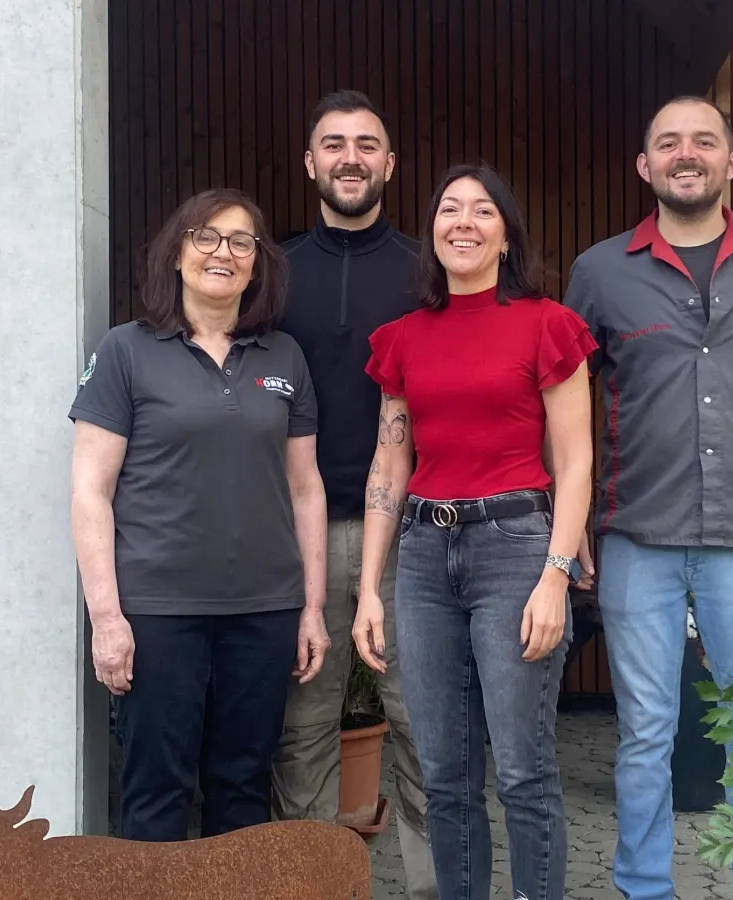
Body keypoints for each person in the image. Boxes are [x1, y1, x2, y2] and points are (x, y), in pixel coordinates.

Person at [563, 94, 733, 900]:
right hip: (639, 531)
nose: (686, 153)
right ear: (646, 166)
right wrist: (573, 527)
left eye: (704, 141)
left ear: (732, 161)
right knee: (644, 734)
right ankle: (643, 888)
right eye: (668, 143)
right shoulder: (599, 273)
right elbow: (560, 405)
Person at [353, 163, 595, 900]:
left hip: (515, 549)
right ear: (432, 232)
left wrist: (556, 574)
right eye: (449, 209)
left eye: (482, 211)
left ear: (505, 235)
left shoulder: (548, 324)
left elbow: (577, 458)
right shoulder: (401, 339)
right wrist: (369, 587)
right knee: (446, 774)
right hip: (425, 558)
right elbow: (390, 462)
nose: (463, 222)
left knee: (523, 769)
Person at [68, 188, 330, 841]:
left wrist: (312, 607)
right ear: (177, 254)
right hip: (159, 613)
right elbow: (89, 491)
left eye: (242, 241)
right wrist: (106, 619)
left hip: (263, 613)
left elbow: (305, 488)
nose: (224, 252)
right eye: (206, 237)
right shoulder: (127, 352)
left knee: (243, 790)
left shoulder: (285, 358)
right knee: (157, 790)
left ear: (258, 263)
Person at [272, 89, 438, 900]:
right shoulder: (268, 271)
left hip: (410, 535)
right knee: (302, 731)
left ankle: (430, 884)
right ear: (310, 163)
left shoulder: (425, 269)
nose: (350, 158)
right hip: (295, 530)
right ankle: (305, 885)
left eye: (367, 145)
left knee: (419, 723)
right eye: (333, 144)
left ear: (389, 165)